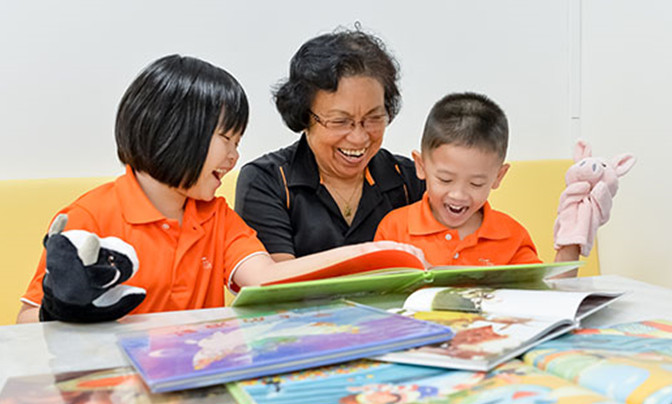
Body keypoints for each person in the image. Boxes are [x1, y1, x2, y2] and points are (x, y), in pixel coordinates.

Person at [16, 55, 424, 324]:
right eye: (226, 139)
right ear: (176, 134)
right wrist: (60, 306)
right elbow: (26, 323)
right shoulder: (91, 216)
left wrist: (371, 254)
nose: (234, 156)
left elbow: (266, 279)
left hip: (197, 387)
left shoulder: (217, 218)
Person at [235, 28, 425, 261]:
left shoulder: (410, 180)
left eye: (373, 118)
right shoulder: (268, 181)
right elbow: (277, 287)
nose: (359, 138)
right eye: (340, 122)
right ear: (304, 117)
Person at [375, 92, 580, 267]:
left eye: (476, 184)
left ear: (498, 177)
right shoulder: (394, 229)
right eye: (445, 179)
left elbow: (544, 299)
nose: (458, 195)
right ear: (420, 166)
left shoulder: (511, 237)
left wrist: (569, 247)